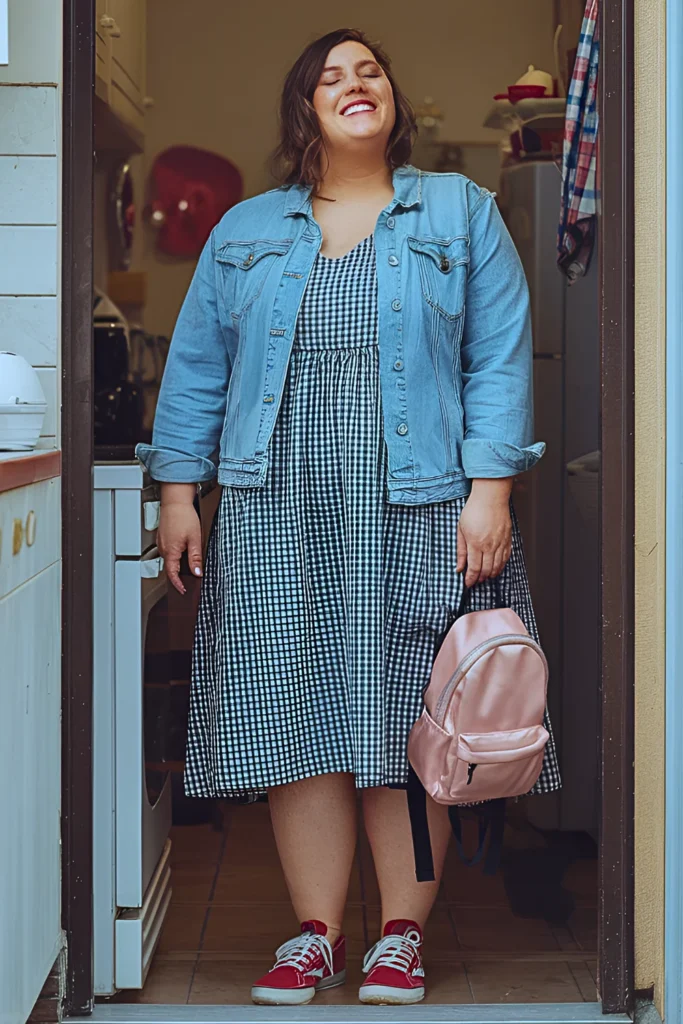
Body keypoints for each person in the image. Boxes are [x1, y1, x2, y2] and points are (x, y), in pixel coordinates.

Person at [136, 26, 560, 1007]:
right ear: (305, 111)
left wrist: (487, 492)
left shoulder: (459, 212)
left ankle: (400, 936)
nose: (353, 82)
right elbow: (197, 369)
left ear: (391, 102)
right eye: (331, 75)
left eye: (369, 70)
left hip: (418, 508)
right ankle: (315, 935)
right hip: (275, 507)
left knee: (410, 722)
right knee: (293, 722)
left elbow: (498, 357)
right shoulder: (243, 230)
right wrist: (176, 491)